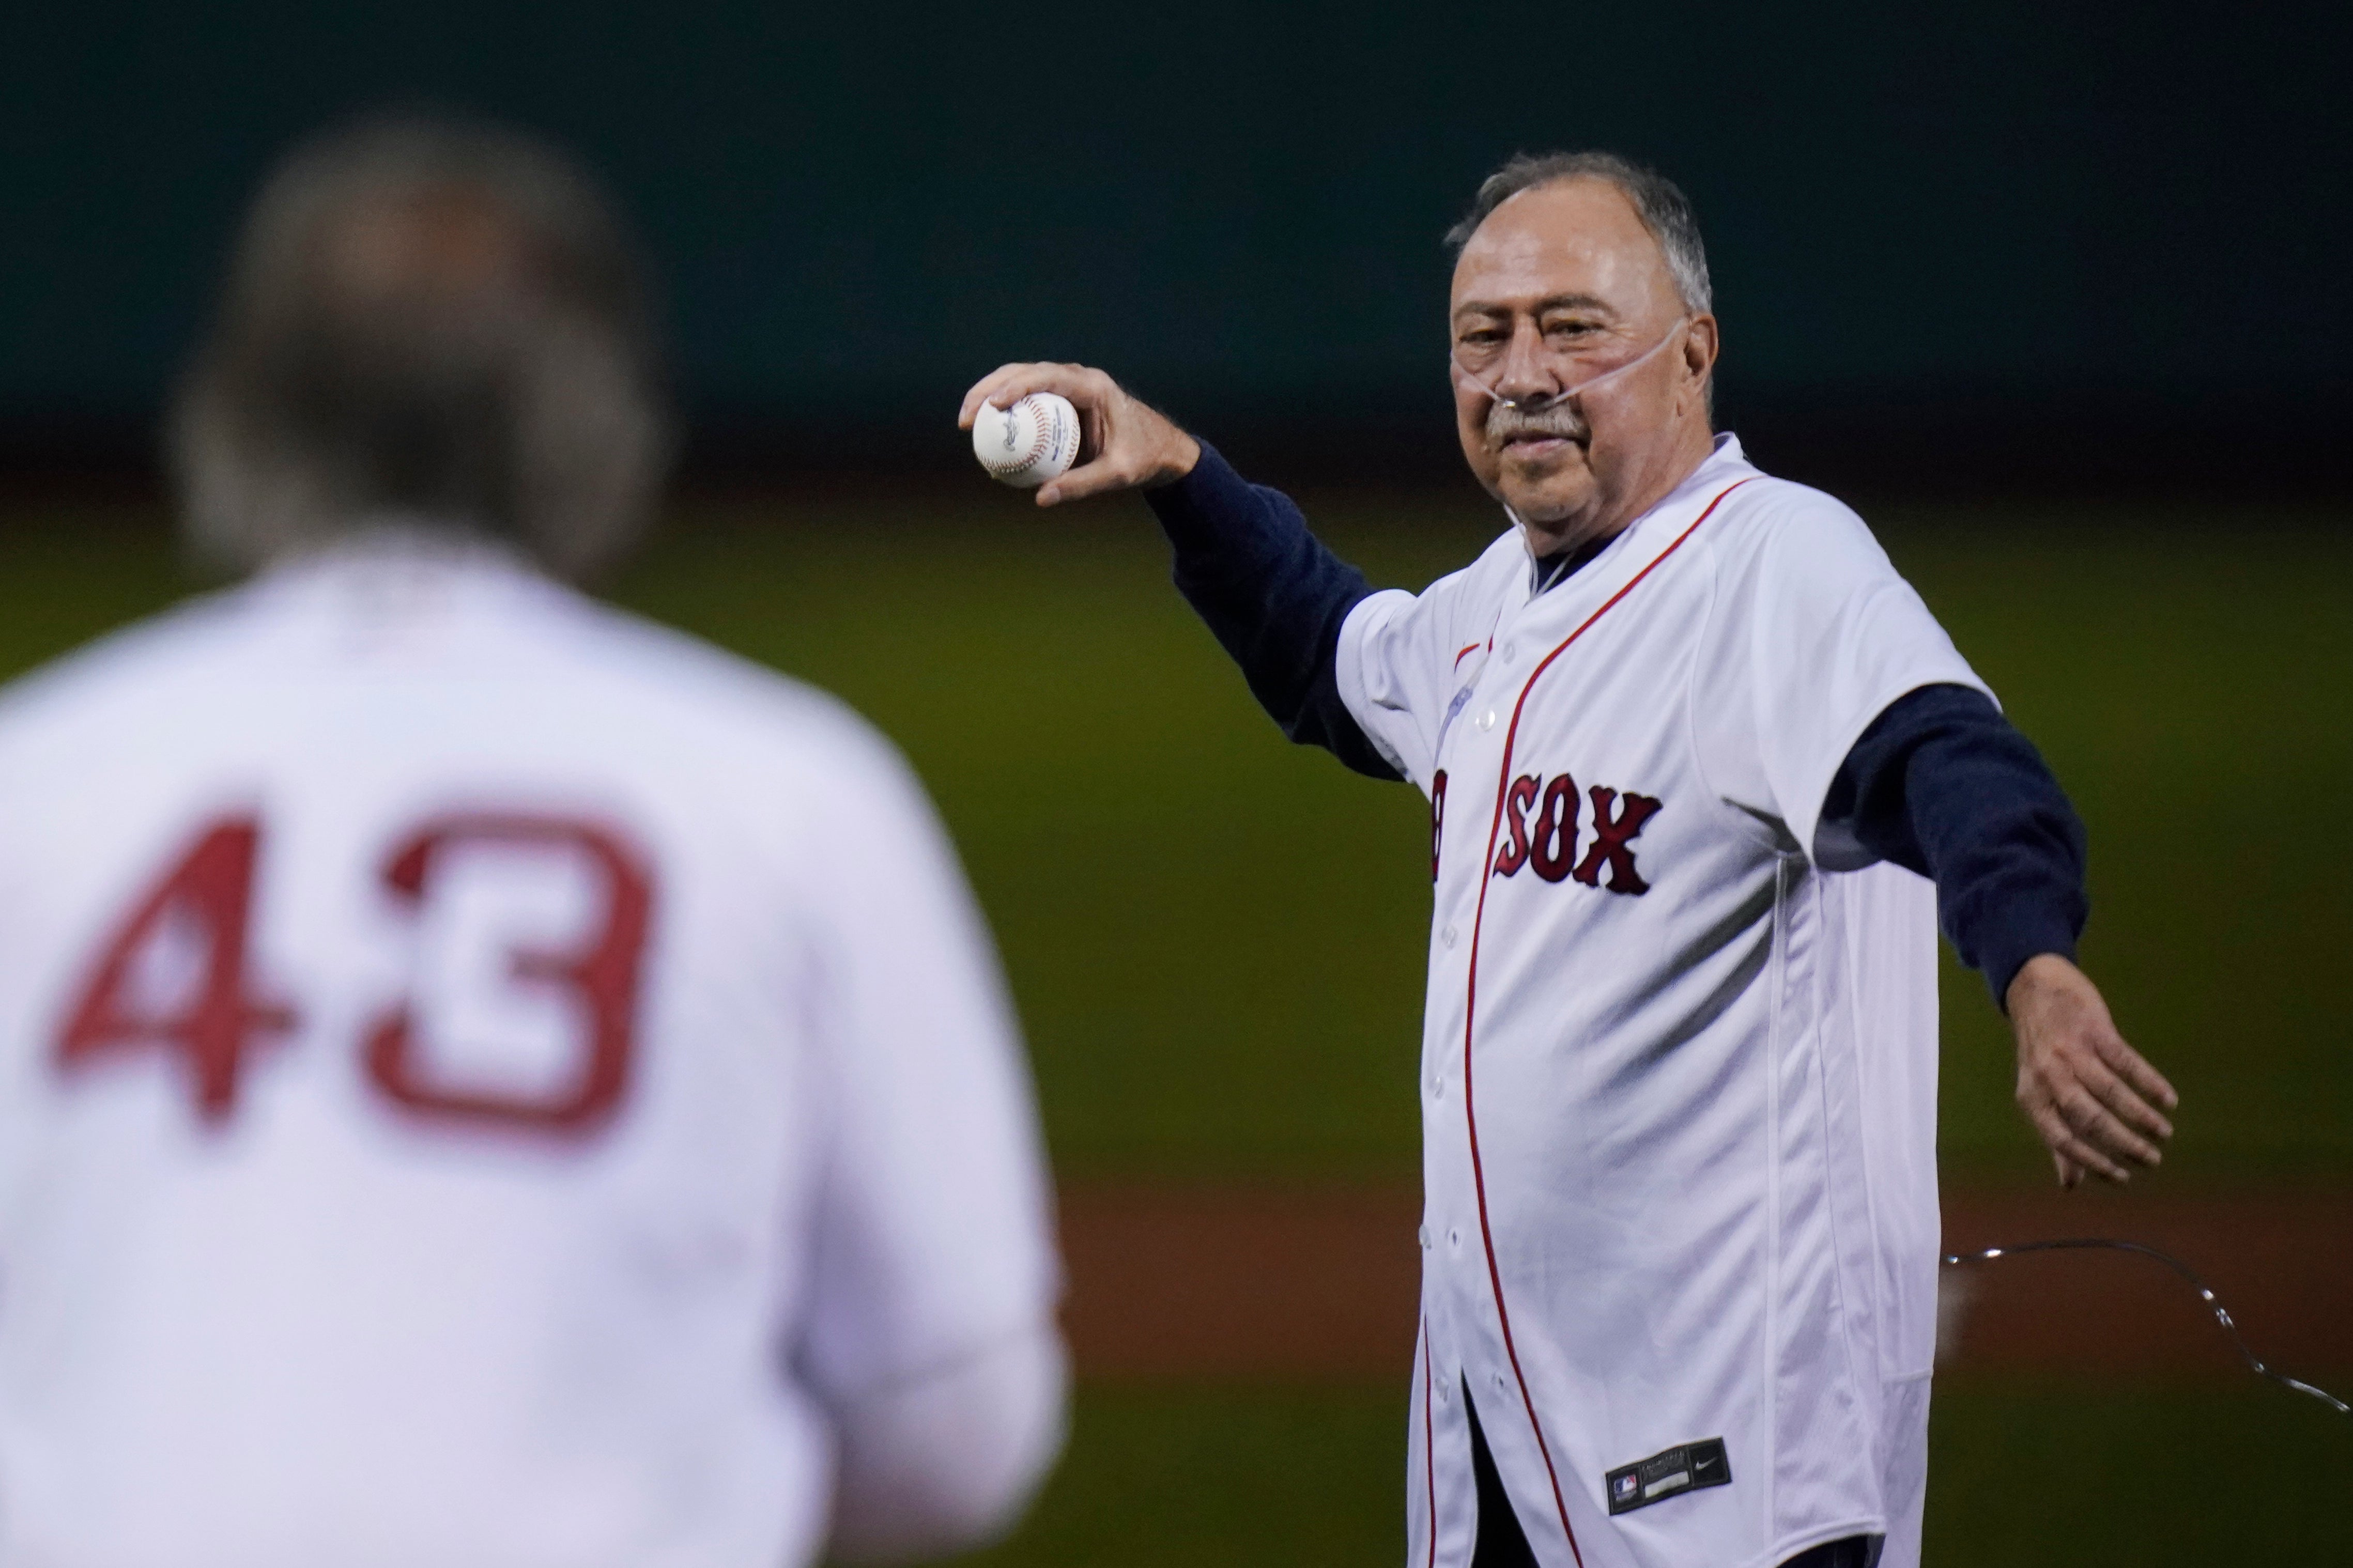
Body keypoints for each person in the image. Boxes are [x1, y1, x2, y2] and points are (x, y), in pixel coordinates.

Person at [958, 151, 2178, 1568]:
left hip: (1732, 1458)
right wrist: (1177, 468)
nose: (1519, 370)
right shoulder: (1500, 601)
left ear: (1691, 353)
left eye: (1571, 324)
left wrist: (2034, 962)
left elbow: (1947, 759)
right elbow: (1327, 653)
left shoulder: (1776, 569)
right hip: (1523, 1424)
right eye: (1483, 334)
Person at [0, 116, 1064, 1568]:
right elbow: (955, 1433)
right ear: (598, 415)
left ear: (236, 404)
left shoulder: (38, 767)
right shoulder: (784, 787)